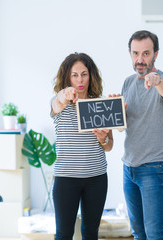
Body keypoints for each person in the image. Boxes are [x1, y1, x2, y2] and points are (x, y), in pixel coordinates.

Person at [120, 30, 163, 240]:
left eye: (146, 53)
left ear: (156, 54)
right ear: (129, 53)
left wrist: (157, 83)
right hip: (129, 168)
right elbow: (122, 126)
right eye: (136, 53)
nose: (140, 59)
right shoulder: (128, 83)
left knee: (155, 234)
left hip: (154, 168)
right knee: (138, 234)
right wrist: (114, 113)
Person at [51, 52, 114, 240]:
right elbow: (58, 101)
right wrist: (65, 94)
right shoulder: (59, 104)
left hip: (96, 178)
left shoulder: (100, 104)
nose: (80, 79)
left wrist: (103, 139)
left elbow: (109, 146)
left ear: (91, 75)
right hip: (66, 179)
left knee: (90, 233)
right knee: (64, 234)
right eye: (75, 75)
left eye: (84, 74)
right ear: (67, 77)